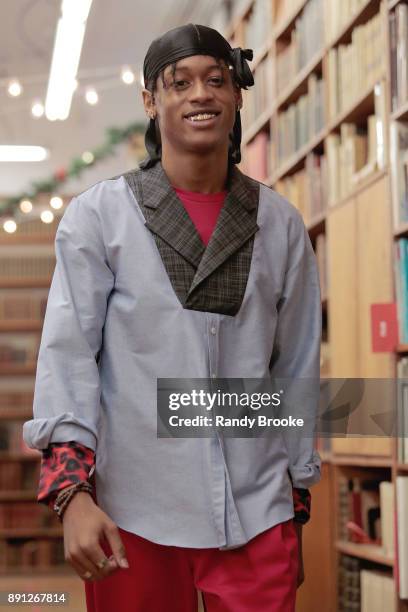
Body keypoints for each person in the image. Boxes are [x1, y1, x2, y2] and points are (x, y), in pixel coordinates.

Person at [23, 23, 322, 612]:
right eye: (179, 82)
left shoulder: (281, 224)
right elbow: (68, 355)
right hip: (134, 509)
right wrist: (72, 494)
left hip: (257, 507)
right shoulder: (98, 218)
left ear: (238, 95)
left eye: (216, 80)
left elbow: (296, 367)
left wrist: (295, 503)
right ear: (150, 101)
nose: (200, 95)